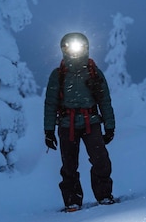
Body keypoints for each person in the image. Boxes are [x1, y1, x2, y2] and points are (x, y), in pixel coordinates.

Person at [44, 32, 116, 212]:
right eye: (69, 47)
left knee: (101, 161)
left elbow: (104, 100)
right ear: (63, 49)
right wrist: (49, 130)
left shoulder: (94, 72)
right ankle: (72, 201)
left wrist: (109, 126)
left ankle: (104, 196)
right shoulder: (58, 75)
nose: (74, 51)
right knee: (69, 166)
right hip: (67, 125)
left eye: (78, 46)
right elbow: (50, 103)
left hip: (91, 122)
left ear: (85, 48)